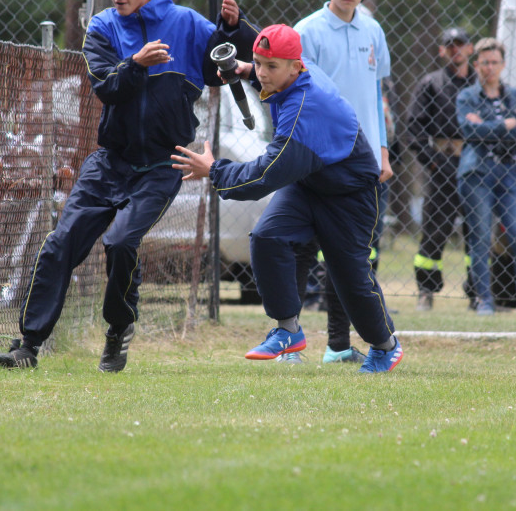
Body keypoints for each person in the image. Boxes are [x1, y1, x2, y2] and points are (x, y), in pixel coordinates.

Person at [0, 0, 257, 371]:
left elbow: (222, 68)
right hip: (110, 161)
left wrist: (235, 27)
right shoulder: (101, 28)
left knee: (120, 242)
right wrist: (135, 63)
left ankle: (118, 330)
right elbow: (107, 89)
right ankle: (28, 344)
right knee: (62, 243)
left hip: (162, 164)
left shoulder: (186, 23)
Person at [170, 24, 403, 373]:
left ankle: (386, 347)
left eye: (270, 66)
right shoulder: (296, 67)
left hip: (349, 194)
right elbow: (268, 55)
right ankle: (288, 331)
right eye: (258, 62)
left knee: (348, 276)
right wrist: (246, 69)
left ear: (295, 68)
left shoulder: (302, 114)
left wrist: (214, 170)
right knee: (266, 237)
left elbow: (264, 176)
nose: (263, 72)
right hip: (310, 183)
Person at [290, 0, 392, 364]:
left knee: (349, 256)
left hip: (363, 166)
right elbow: (300, 99)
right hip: (319, 158)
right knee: (298, 248)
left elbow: (376, 96)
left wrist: (383, 152)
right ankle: (289, 340)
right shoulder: (306, 32)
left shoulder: (373, 32)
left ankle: (337, 346)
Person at [456, 38, 516, 317]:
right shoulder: (467, 97)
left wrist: (485, 126)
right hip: (478, 174)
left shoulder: (514, 96)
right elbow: (469, 132)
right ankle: (484, 300)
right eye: (484, 62)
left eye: (494, 62)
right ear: (476, 65)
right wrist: (502, 125)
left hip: (510, 172)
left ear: (503, 65)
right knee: (481, 238)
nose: (489, 67)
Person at [406, 27, 475, 311]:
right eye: (449, 46)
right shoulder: (431, 83)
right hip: (441, 167)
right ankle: (427, 289)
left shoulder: (480, 84)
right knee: (434, 232)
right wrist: (434, 160)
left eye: (460, 45)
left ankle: (478, 290)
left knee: (478, 231)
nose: (455, 50)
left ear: (470, 49)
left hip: (475, 166)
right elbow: (414, 127)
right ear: (441, 50)